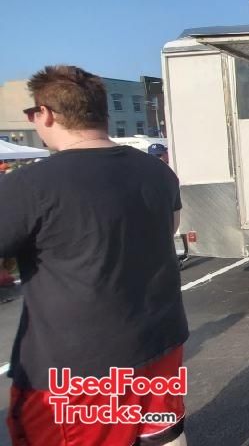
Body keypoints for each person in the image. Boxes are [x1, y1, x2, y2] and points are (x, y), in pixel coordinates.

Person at [0, 66, 188, 445]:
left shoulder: (28, 185)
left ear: (46, 113)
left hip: (79, 368)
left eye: (32, 113)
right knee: (161, 436)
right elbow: (168, 231)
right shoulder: (157, 172)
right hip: (160, 343)